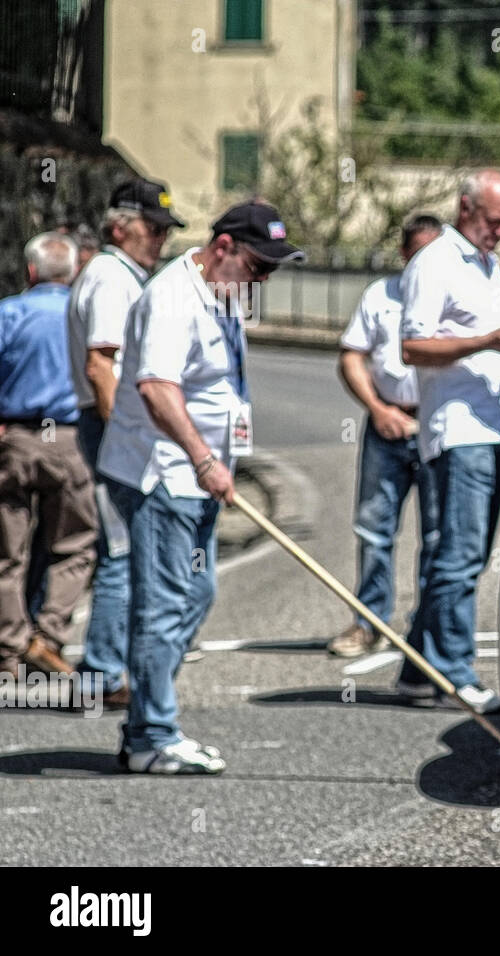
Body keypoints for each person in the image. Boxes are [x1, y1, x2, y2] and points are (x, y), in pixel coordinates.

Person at [97, 201, 302, 774]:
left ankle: (147, 720)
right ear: (223, 249)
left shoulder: (222, 290)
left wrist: (218, 461)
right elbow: (159, 389)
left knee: (195, 594)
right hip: (162, 473)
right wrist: (205, 458)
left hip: (196, 476)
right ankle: (151, 738)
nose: (263, 279)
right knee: (165, 604)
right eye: (258, 266)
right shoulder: (172, 298)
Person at [397, 170, 500, 713]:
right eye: (493, 220)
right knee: (459, 555)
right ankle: (454, 671)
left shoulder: (488, 265)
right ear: (465, 208)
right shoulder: (435, 262)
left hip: (494, 428)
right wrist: (486, 341)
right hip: (458, 430)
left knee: (467, 553)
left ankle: (418, 668)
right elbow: (413, 346)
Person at [67, 179, 186, 708]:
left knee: (124, 548)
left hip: (106, 424)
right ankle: (103, 671)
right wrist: (127, 436)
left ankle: (106, 666)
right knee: (122, 550)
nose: (159, 238)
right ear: (120, 226)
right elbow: (101, 364)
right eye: (152, 227)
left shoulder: (120, 275)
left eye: (165, 230)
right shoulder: (114, 278)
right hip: (109, 424)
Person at [327, 214, 443, 658]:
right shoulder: (381, 295)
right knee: (374, 529)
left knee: (437, 537)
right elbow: (351, 357)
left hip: (436, 427)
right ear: (403, 255)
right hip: (386, 426)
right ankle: (369, 623)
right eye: (418, 256)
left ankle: (427, 629)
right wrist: (378, 409)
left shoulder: (452, 295)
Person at [0, 233, 98, 681]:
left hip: (15, 437)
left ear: (32, 271)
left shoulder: (10, 312)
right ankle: (49, 634)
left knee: (8, 550)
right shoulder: (83, 314)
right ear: (73, 271)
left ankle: (8, 648)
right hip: (70, 439)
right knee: (75, 545)